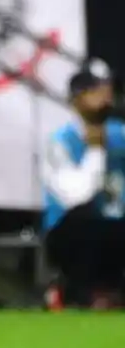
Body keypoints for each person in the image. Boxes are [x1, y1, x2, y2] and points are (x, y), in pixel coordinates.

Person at [42, 59, 125, 310]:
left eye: (107, 87)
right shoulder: (59, 142)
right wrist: (96, 151)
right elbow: (76, 195)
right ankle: (76, 291)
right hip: (73, 234)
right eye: (96, 88)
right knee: (86, 219)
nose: (105, 94)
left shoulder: (120, 134)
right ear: (77, 97)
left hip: (117, 227)